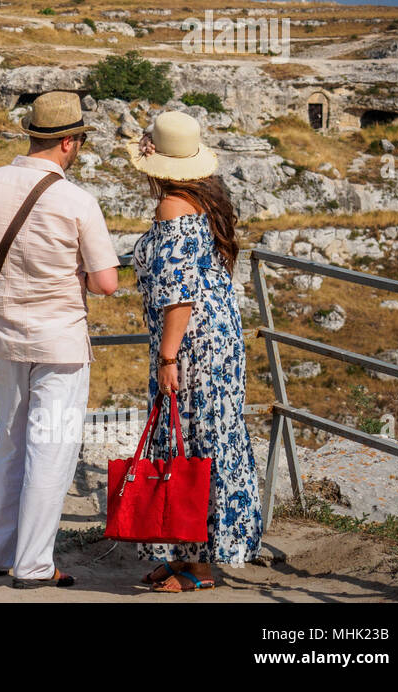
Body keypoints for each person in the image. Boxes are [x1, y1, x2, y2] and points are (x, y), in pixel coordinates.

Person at [0, 91, 120, 588]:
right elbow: (106, 283)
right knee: (51, 450)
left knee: (9, 446)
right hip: (60, 344)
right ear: (70, 143)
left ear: (32, 134)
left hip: (4, 340)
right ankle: (34, 564)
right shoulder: (78, 200)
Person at [125, 111, 263, 593]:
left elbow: (179, 293)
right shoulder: (205, 199)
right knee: (203, 440)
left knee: (191, 443)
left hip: (190, 345)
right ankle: (185, 552)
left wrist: (166, 358)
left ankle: (198, 567)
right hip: (217, 341)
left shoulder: (172, 208)